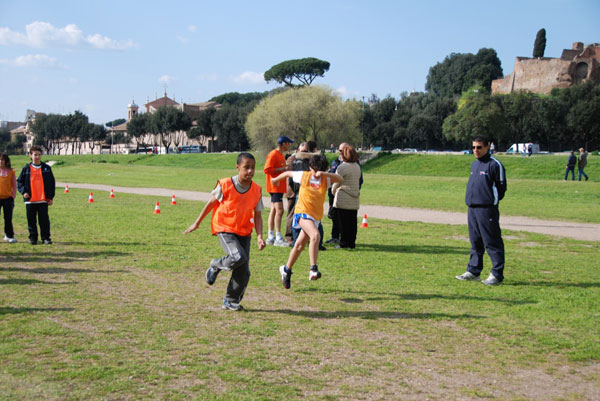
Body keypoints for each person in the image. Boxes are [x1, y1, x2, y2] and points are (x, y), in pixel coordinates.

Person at [183, 153, 266, 311]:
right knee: (238, 257)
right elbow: (209, 204)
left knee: (244, 271)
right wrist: (197, 223)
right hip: (225, 227)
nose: (250, 171)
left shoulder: (256, 190)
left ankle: (230, 300)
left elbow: (258, 216)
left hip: (244, 232)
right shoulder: (226, 184)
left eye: (253, 168)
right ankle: (215, 265)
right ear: (237, 167)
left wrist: (260, 236)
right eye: (246, 167)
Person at [272, 154, 343, 289]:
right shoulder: (304, 175)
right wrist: (275, 179)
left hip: (314, 217)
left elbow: (340, 178)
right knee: (315, 235)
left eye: (320, 169)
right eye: (315, 169)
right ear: (310, 167)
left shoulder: (325, 179)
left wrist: (324, 174)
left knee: (299, 246)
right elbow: (288, 172)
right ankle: (313, 269)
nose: (316, 173)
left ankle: (286, 270)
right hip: (302, 213)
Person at [456, 136, 507, 286]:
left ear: (487, 147)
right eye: (473, 147)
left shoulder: (494, 165)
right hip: (472, 208)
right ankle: (474, 270)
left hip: (487, 209)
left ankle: (496, 274)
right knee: (475, 241)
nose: (476, 150)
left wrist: (490, 201)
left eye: (479, 147)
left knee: (491, 241)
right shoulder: (474, 165)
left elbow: (501, 188)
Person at [289, 141, 325, 250]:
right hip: (305, 192)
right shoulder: (309, 161)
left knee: (304, 220)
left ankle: (298, 242)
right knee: (307, 221)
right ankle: (306, 243)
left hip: (303, 192)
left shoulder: (296, 160)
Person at [17, 146, 55, 245]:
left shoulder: (46, 168)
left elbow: (52, 184)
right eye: (35, 155)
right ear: (30, 155)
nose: (37, 157)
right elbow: (19, 182)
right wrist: (23, 192)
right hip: (30, 200)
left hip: (43, 200)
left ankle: (46, 238)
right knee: (31, 221)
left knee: (44, 221)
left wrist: (50, 198)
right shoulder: (26, 168)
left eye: (39, 155)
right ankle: (33, 238)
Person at [264, 135, 293, 246]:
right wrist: (283, 169)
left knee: (274, 210)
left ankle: (271, 236)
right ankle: (278, 237)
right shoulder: (273, 154)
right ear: (284, 143)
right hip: (274, 186)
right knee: (279, 210)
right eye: (288, 143)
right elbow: (267, 169)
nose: (289, 145)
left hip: (279, 187)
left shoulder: (281, 155)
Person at [331, 145, 361, 249]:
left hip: (343, 198)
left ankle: (343, 243)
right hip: (354, 198)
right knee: (352, 223)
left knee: (343, 224)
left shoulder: (342, 167)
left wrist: (333, 190)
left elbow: (336, 181)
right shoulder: (357, 167)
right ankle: (351, 243)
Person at [0, 153, 17, 243]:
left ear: (6, 161)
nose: (0, 162)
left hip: (8, 199)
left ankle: (9, 235)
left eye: (2, 160)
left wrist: (13, 196)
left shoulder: (11, 172)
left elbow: (14, 185)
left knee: (8, 218)